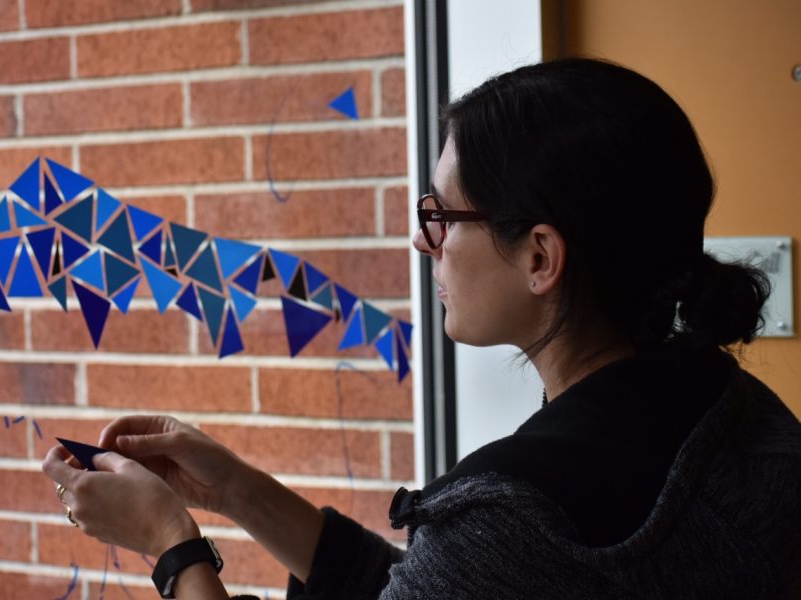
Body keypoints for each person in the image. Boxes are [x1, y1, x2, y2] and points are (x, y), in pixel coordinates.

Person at [44, 58, 801, 599]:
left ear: (540, 256)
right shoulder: (734, 415)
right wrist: (238, 490)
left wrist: (172, 547)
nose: (421, 240)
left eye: (440, 216)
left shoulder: (518, 513)